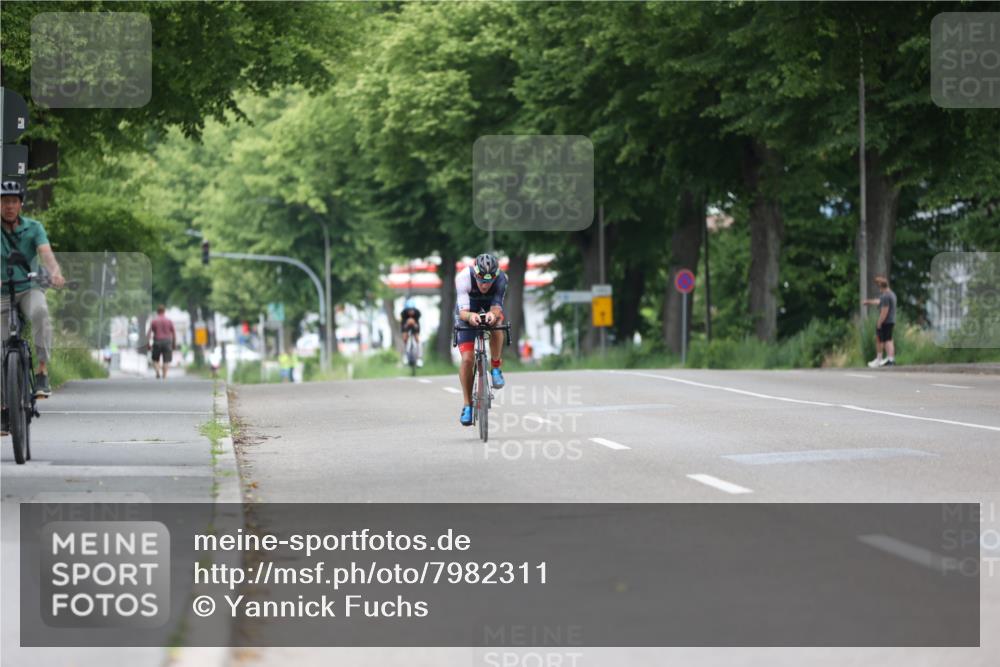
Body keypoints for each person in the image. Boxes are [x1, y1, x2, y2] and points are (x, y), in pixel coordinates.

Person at [1, 180, 65, 398]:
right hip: (2, 293)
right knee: (1, 345)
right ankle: (3, 404)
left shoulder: (34, 227)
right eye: (4, 202)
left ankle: (41, 370)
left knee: (41, 313)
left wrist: (55, 272)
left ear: (20, 205)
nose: (8, 206)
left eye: (13, 201)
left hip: (29, 287)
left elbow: (46, 253)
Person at [454, 253, 507, 426]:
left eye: (489, 281)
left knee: (498, 323)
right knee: (468, 359)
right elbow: (462, 313)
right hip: (468, 309)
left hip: (488, 306)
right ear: (475, 274)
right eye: (481, 280)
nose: (485, 285)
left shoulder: (501, 279)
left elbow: (497, 306)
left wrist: (492, 314)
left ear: (495, 276)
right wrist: (471, 317)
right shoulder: (463, 277)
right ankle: (467, 405)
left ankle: (496, 367)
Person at [863, 275, 897, 368]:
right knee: (889, 340)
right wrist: (869, 302)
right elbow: (879, 302)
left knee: (880, 340)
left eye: (878, 287)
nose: (879, 290)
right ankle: (891, 359)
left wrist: (879, 322)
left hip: (885, 321)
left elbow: (884, 310)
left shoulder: (885, 296)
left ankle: (879, 359)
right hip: (891, 320)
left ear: (881, 286)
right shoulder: (891, 294)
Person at [146, 305, 177, 379]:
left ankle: (157, 372)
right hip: (167, 342)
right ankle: (164, 375)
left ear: (157, 312)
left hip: (157, 342)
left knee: (155, 359)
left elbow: (149, 334)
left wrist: (148, 344)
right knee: (166, 360)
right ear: (164, 311)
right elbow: (174, 333)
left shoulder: (154, 321)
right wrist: (174, 344)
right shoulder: (169, 321)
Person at [399, 297, 423, 367]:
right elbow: (403, 326)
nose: (411, 312)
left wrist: (414, 325)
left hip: (415, 323)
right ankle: (405, 355)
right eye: (409, 310)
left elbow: (417, 325)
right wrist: (407, 325)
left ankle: (419, 358)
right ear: (406, 310)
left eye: (412, 310)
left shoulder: (417, 313)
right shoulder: (403, 314)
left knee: (417, 339)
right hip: (405, 323)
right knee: (404, 338)